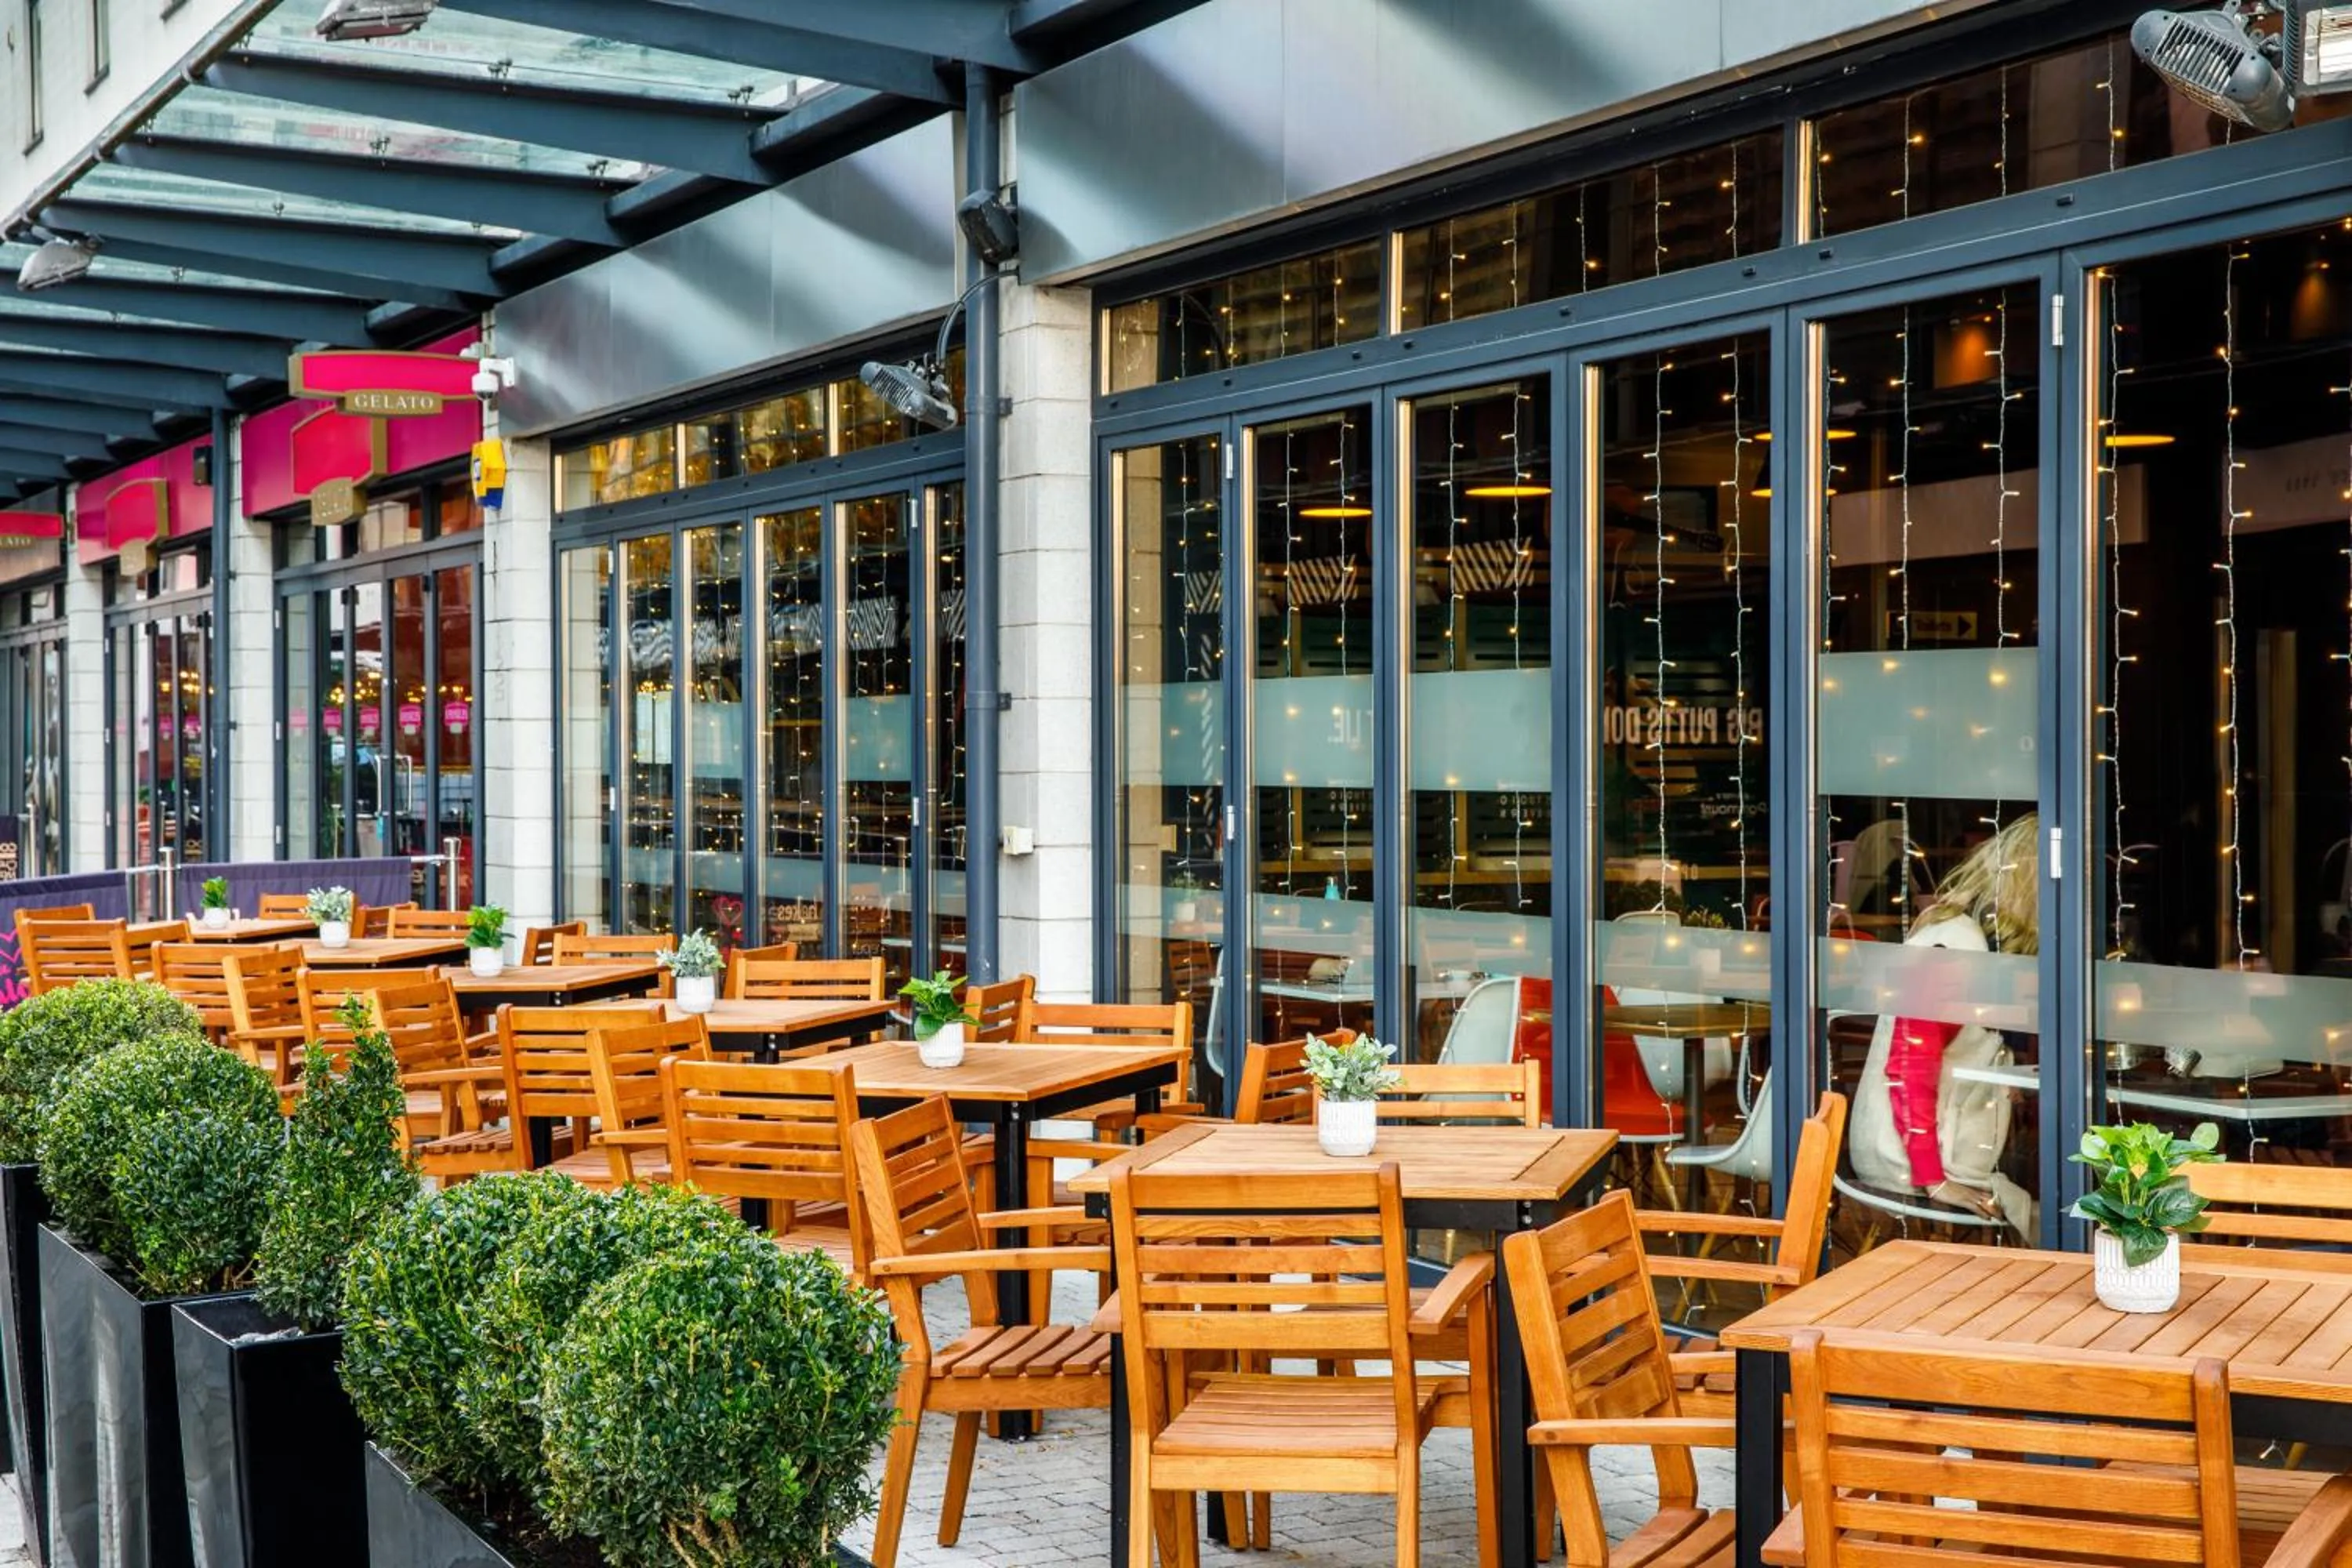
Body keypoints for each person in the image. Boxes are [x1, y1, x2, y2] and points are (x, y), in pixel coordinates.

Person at [1849, 813, 2038, 1238]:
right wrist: (1933, 1178)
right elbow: (1909, 1067)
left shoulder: (1962, 936)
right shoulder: (1955, 945)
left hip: (1946, 1148)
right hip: (1919, 1159)